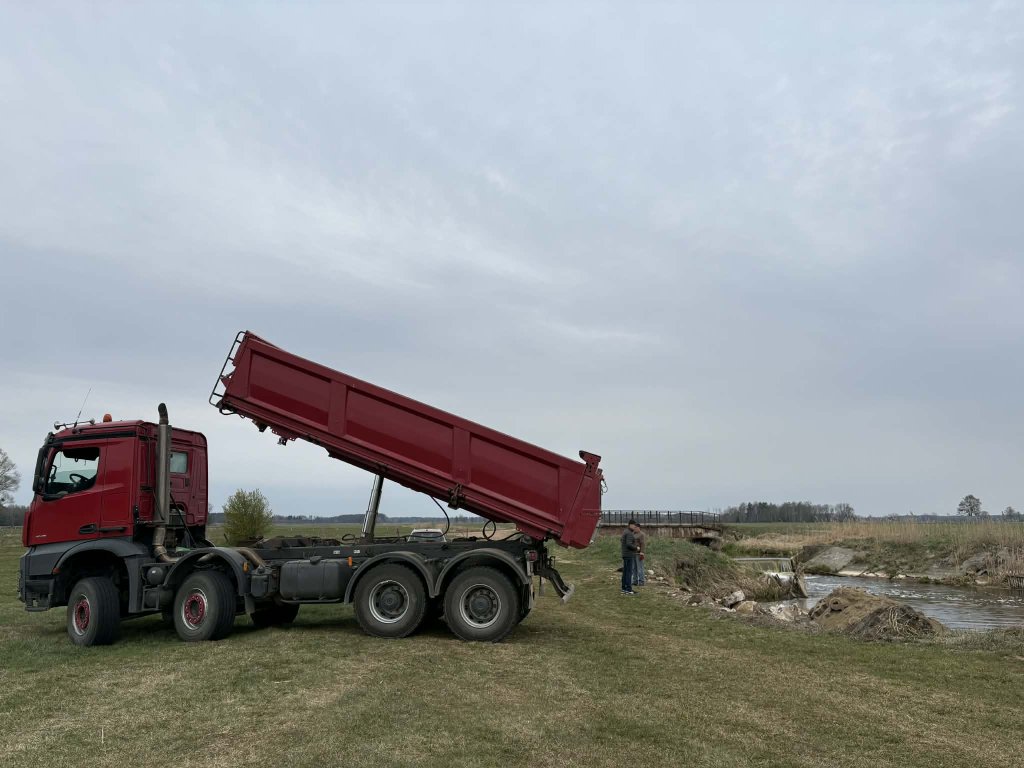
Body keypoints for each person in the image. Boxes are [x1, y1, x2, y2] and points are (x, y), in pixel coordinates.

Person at [620, 519, 640, 595]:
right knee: (628, 572)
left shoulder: (625, 531)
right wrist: (636, 548)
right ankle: (629, 589)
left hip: (625, 554)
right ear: (630, 525)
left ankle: (624, 588)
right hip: (629, 555)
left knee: (625, 572)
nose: (635, 527)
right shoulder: (629, 533)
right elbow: (628, 544)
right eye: (634, 525)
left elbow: (621, 540)